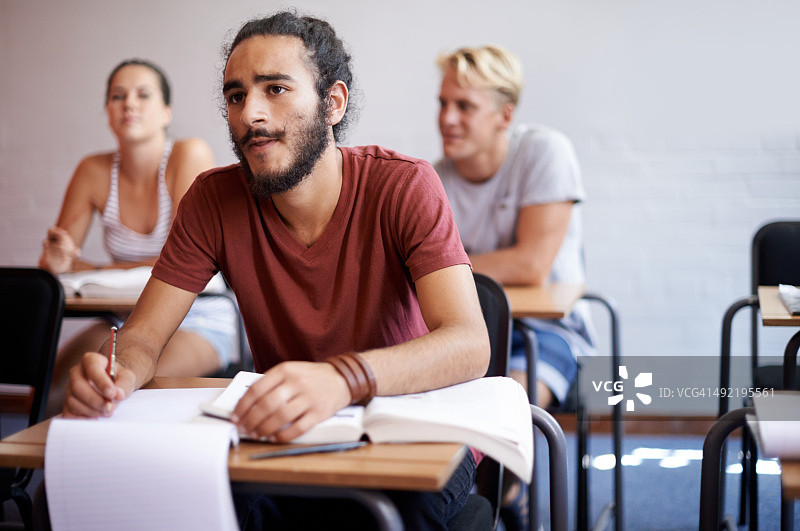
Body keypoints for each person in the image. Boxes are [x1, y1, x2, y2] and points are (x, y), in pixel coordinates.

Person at [60, 12, 489, 530]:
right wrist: (117, 372)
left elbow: (469, 343)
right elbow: (143, 338)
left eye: (276, 89)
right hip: (284, 434)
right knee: (175, 498)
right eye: (236, 95)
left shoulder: (404, 185)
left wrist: (341, 379)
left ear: (333, 103)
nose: (250, 115)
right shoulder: (212, 201)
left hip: (413, 428)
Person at [434, 44, 597, 529]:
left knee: (498, 419)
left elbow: (530, 265)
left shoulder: (544, 151)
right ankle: (494, 495)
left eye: (464, 106)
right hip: (468, 332)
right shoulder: (433, 177)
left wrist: (443, 267)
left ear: (505, 115)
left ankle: (499, 492)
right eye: (443, 103)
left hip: (547, 334)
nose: (448, 118)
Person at [39, 59, 238, 416]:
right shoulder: (92, 170)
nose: (129, 103)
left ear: (165, 112)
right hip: (120, 319)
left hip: (198, 317)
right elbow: (61, 264)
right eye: (118, 96)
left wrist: (94, 267)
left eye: (143, 95)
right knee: (55, 387)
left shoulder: (187, 154)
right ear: (108, 112)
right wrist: (58, 261)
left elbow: (182, 259)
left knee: (123, 388)